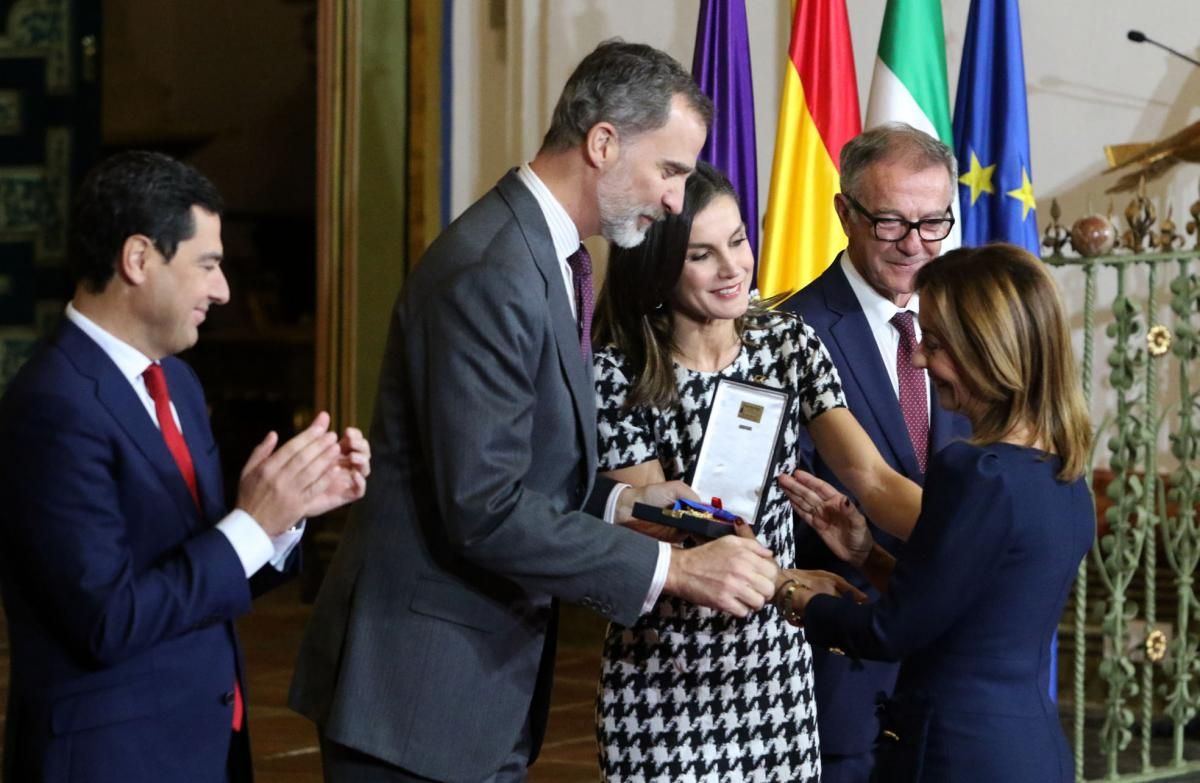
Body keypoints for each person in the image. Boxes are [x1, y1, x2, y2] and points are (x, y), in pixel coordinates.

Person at [288, 40, 782, 783]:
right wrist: (673, 570)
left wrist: (628, 503)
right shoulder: (493, 270)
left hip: (469, 690)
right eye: (670, 171)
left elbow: (528, 465)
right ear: (604, 143)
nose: (676, 200)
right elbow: (483, 507)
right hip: (414, 695)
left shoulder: (546, 257)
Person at [0, 150, 370, 783]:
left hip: (200, 742)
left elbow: (198, 573)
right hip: (110, 759)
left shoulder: (179, 383)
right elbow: (109, 621)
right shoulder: (52, 406)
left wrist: (284, 516)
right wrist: (250, 524)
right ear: (138, 259)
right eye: (208, 264)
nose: (223, 290)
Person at [591, 159, 944, 781]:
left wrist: (971, 533)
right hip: (665, 668)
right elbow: (669, 528)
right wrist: (784, 578)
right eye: (703, 254)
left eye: (738, 242)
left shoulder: (789, 343)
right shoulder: (619, 373)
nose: (732, 269)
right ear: (658, 262)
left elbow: (871, 478)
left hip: (772, 662)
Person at [781, 243, 1093, 782]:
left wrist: (790, 592)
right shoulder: (1063, 471)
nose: (921, 359)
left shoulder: (978, 472)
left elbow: (890, 633)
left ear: (987, 351)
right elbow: (966, 607)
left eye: (938, 344)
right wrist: (868, 555)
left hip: (958, 754)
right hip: (1030, 747)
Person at [781, 122, 972, 782]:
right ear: (845, 212)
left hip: (959, 679)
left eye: (933, 222)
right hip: (846, 672)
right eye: (891, 222)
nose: (916, 244)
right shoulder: (790, 334)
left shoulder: (979, 331)